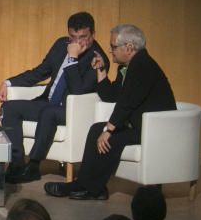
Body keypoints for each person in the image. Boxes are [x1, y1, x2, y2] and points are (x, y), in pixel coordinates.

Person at [44, 24, 176, 200]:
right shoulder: (129, 66)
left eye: (114, 46)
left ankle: (93, 189)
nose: (111, 51)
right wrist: (100, 71)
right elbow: (112, 95)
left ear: (129, 48)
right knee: (95, 130)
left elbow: (127, 103)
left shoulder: (142, 66)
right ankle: (85, 184)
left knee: (109, 138)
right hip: (140, 126)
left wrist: (109, 130)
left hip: (155, 129)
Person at [0, 12, 108, 183]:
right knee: (9, 108)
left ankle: (33, 166)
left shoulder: (98, 58)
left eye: (83, 37)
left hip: (71, 111)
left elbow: (78, 91)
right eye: (73, 37)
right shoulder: (60, 45)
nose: (78, 42)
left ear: (93, 35)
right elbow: (40, 71)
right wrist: (8, 82)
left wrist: (72, 59)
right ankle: (17, 163)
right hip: (48, 103)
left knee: (48, 113)